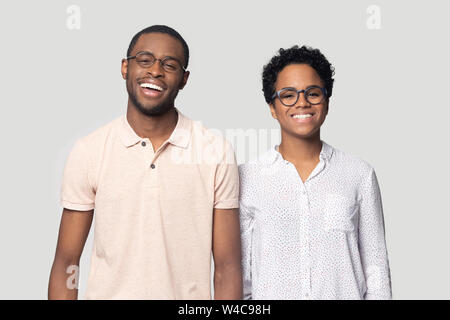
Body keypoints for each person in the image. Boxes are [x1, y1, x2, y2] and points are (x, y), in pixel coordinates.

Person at [48, 25, 242, 300]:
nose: (155, 71)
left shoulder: (215, 151)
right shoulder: (89, 151)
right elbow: (67, 261)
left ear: (184, 79)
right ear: (125, 68)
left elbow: (227, 267)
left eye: (170, 64)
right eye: (145, 60)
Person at [239, 45, 392, 300]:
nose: (302, 102)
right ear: (273, 108)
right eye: (288, 95)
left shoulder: (359, 174)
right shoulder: (247, 178)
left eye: (312, 93)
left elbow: (376, 270)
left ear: (327, 101)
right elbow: (242, 277)